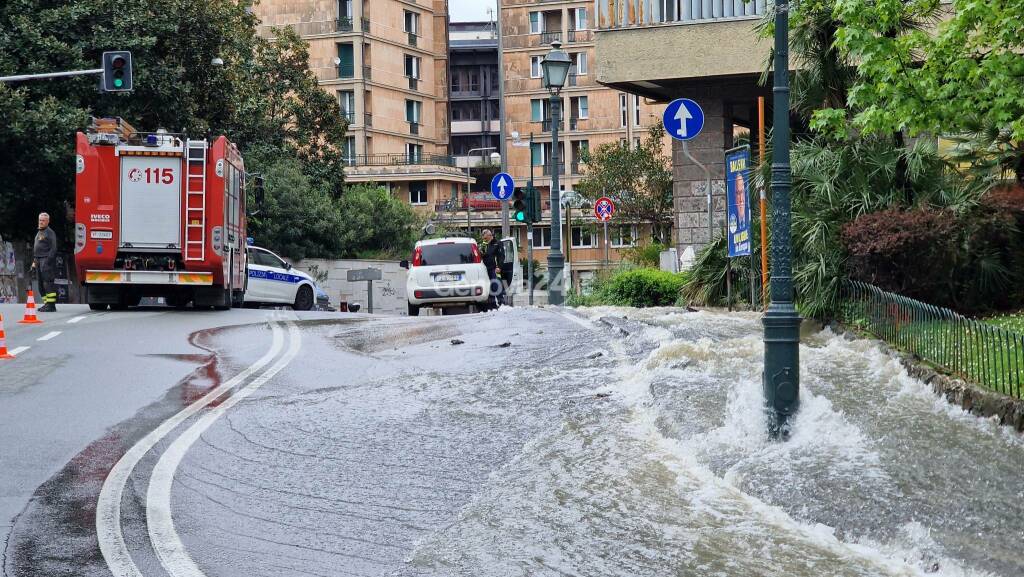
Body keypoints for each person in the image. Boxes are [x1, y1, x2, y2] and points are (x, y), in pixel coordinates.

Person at [32, 212, 59, 312]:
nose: (41, 222)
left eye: (43, 220)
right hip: (38, 259)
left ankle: (51, 305)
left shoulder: (49, 232)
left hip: (45, 260)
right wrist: (34, 262)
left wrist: (48, 261)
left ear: (48, 221)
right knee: (40, 284)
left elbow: (54, 248)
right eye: (40, 220)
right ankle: (46, 304)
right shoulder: (39, 232)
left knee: (47, 283)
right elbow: (36, 249)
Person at [480, 229, 504, 310]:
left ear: (490, 236)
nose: (484, 240)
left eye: (485, 238)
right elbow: (482, 256)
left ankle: (501, 304)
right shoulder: (484, 244)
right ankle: (492, 306)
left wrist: (499, 267)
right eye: (483, 238)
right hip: (486, 270)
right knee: (489, 287)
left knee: (496, 286)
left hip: (495, 269)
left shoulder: (497, 243)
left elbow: (501, 256)